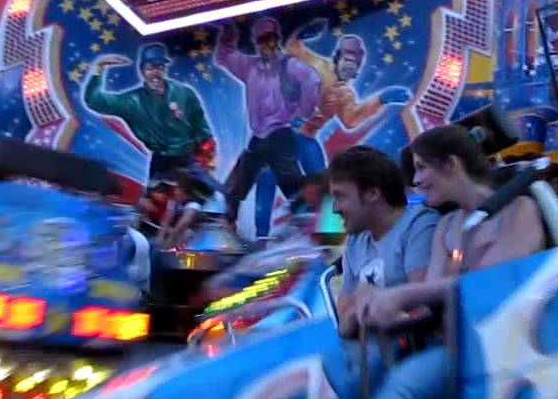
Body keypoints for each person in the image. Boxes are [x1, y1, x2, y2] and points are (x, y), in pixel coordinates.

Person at [353, 125, 545, 399]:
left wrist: (402, 295)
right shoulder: (446, 226)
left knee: (404, 386)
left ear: (451, 164)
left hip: (504, 343)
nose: (416, 181)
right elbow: (432, 298)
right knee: (366, 371)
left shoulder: (518, 210)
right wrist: (379, 304)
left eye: (422, 168)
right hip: (457, 343)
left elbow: (491, 285)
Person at [252, 20, 411, 233]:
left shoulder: (346, 94)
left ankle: (328, 232)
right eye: (347, 60)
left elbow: (350, 120)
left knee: (325, 181)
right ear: (337, 57)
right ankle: (261, 236)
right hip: (281, 134)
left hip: (306, 138)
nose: (349, 67)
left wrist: (381, 99)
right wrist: (301, 34)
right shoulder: (317, 65)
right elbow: (293, 51)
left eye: (354, 64)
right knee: (268, 176)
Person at [215, 19, 321, 235]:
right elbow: (224, 57)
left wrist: (302, 114)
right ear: (256, 43)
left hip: (280, 134)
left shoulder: (289, 65)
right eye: (262, 41)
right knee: (236, 185)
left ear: (277, 40)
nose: (268, 45)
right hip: (259, 137)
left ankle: (309, 228)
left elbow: (313, 80)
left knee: (292, 185)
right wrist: (228, 34)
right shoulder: (250, 66)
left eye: (271, 39)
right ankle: (226, 228)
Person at [329, 146, 439, 341]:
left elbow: (426, 306)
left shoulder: (419, 225)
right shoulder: (356, 239)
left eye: (340, 197)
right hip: (374, 347)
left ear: (372, 193)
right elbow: (344, 324)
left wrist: (364, 304)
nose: (334, 209)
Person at [84, 44, 217, 186]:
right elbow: (94, 101)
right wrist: (99, 67)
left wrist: (208, 158)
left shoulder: (184, 93)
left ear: (165, 69)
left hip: (189, 157)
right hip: (161, 161)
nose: (155, 73)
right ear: (142, 71)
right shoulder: (132, 101)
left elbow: (202, 128)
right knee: (155, 196)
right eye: (150, 68)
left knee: (205, 192)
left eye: (160, 67)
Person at [156, 170, 210, 248]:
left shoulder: (194, 203)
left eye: (176, 188)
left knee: (187, 233)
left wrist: (170, 240)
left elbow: (184, 222)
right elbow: (167, 218)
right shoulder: (174, 199)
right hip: (175, 230)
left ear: (183, 190)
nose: (173, 191)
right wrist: (160, 237)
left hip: (194, 234)